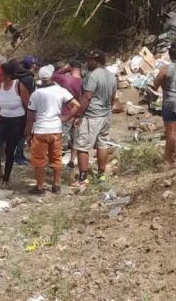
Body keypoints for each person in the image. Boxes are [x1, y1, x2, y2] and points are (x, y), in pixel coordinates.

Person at [25, 65, 80, 195]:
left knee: (39, 160)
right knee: (56, 158)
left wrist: (28, 132)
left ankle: (40, 187)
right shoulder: (60, 91)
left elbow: (30, 116)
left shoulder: (36, 94)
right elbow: (76, 105)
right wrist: (66, 118)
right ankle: (56, 185)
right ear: (51, 77)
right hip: (56, 129)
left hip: (40, 130)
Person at [74, 49, 117, 188]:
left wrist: (79, 115)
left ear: (96, 61)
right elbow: (113, 97)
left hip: (92, 116)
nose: (87, 62)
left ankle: (83, 178)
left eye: (89, 60)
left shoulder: (92, 76)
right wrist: (108, 109)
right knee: (102, 144)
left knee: (82, 146)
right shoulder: (111, 76)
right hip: (106, 115)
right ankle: (101, 175)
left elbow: (87, 96)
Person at [0, 61, 30, 186]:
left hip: (17, 121)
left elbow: (28, 107)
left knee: (9, 150)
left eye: (1, 74)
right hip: (3, 119)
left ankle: (6, 179)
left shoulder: (19, 86)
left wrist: (29, 125)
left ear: (9, 76)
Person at [53, 60, 84, 168]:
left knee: (61, 139)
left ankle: (56, 162)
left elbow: (54, 75)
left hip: (65, 113)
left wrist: (64, 69)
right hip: (78, 113)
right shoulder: (83, 81)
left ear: (70, 67)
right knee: (75, 138)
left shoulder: (65, 79)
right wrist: (79, 115)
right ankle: (72, 160)